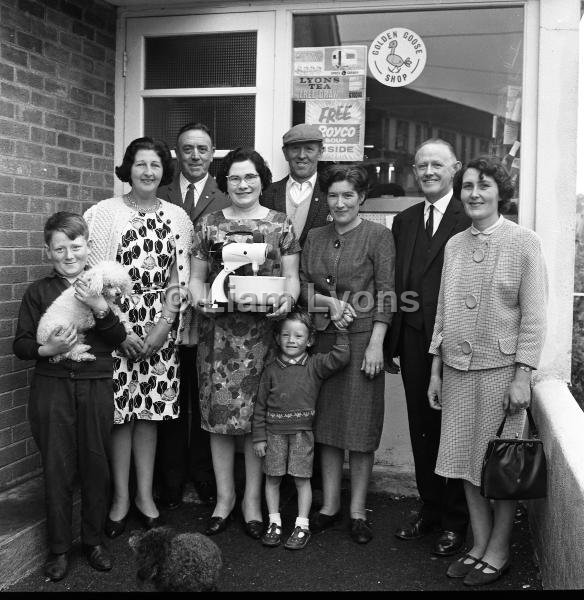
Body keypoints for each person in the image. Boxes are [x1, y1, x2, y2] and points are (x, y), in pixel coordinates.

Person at [426, 155, 547, 586]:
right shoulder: (455, 244)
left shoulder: (524, 242)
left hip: (501, 373)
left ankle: (498, 552)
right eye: (468, 187)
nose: (474, 194)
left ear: (501, 192)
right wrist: (436, 369)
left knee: (498, 467)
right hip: (457, 370)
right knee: (464, 464)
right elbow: (442, 311)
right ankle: (478, 545)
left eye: (484, 186)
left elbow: (534, 317)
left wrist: (522, 375)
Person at [83, 137, 194, 538]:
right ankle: (120, 500)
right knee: (120, 417)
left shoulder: (178, 218)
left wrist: (163, 326)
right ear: (128, 168)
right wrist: (121, 332)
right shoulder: (103, 214)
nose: (149, 172)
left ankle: (146, 497)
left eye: (156, 165)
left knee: (150, 416)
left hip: (160, 327)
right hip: (115, 327)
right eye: (141, 164)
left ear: (165, 171)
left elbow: (179, 280)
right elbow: (92, 280)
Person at [188, 147, 301, 539]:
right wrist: (200, 299)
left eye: (249, 176)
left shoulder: (280, 225)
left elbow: (291, 278)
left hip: (262, 339)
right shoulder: (208, 224)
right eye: (234, 177)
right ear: (225, 182)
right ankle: (224, 499)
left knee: (257, 422)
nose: (242, 184)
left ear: (261, 179)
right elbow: (196, 277)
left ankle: (253, 502)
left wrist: (287, 300)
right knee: (218, 422)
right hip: (218, 339)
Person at [13, 212, 128, 581]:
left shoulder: (103, 284)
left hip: (96, 382)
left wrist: (98, 306)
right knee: (58, 466)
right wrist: (48, 349)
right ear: (48, 252)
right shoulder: (38, 292)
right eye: (59, 249)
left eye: (75, 247)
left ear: (87, 247)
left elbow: (116, 337)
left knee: (96, 463)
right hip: (52, 387)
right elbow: (22, 344)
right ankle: (59, 548)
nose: (68, 255)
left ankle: (93, 541)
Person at [300, 164, 395, 545]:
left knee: (359, 426)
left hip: (362, 343)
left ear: (361, 198)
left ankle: (357, 510)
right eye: (334, 195)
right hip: (323, 341)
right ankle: (329, 507)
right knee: (326, 428)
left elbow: (388, 292)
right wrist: (328, 302)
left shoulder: (378, 236)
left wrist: (376, 344)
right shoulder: (315, 236)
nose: (340, 203)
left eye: (348, 196)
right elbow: (301, 288)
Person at [384, 138, 471, 556]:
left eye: (438, 164)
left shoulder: (468, 214)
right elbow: (399, 284)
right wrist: (391, 342)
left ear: (455, 168)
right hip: (416, 340)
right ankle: (431, 508)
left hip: (459, 343)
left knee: (453, 431)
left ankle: (457, 519)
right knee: (422, 428)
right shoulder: (403, 221)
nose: (429, 171)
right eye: (422, 165)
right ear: (413, 172)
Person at [155, 122, 230, 509]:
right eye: (187, 149)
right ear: (177, 154)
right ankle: (169, 479)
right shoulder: (160, 194)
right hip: (164, 316)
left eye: (202, 149)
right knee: (169, 396)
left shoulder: (226, 196)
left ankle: (202, 477)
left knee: (202, 399)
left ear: (213, 153)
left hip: (208, 316)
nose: (195, 156)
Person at [252, 309, 350, 550]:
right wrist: (258, 438)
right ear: (277, 338)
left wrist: (342, 330)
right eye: (286, 335)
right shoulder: (271, 369)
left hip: (301, 435)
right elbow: (260, 405)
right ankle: (274, 523)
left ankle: (302, 525)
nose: (291, 340)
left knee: (301, 479)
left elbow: (340, 357)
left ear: (310, 340)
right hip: (274, 434)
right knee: (273, 478)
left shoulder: (314, 364)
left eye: (298, 336)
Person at [261, 123, 330, 248]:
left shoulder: (330, 192)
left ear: (320, 152)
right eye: (295, 148)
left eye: (309, 149)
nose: (302, 155)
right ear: (285, 153)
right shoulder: (268, 193)